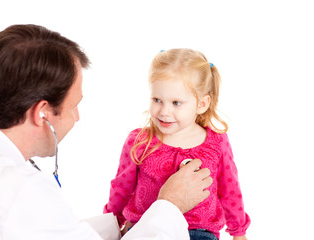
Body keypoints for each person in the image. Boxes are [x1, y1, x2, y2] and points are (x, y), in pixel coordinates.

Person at [0, 25, 213, 240]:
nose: (77, 117)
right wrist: (171, 204)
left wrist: (116, 228)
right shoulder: (21, 192)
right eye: (74, 105)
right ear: (42, 113)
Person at [104, 49, 251, 240]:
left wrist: (239, 233)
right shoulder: (140, 141)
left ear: (202, 104)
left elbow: (230, 190)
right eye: (157, 100)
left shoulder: (216, 142)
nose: (164, 111)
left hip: (199, 232)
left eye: (176, 103)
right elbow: (121, 188)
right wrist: (114, 223)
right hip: (147, 229)